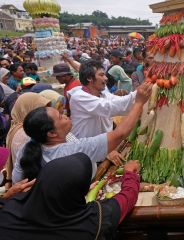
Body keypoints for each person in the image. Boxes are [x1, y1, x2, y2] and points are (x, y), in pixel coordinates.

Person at [12, 82, 152, 183]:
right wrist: (139, 103)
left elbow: (17, 182)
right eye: (61, 117)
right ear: (52, 133)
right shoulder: (73, 150)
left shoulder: (28, 147)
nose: (66, 114)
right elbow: (119, 134)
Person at [0, 153, 141, 239]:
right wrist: (129, 172)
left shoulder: (9, 209)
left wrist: (8, 196)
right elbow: (128, 196)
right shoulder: (92, 221)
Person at [69, 59, 137, 139]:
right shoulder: (79, 97)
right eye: (101, 75)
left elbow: (118, 101)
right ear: (89, 78)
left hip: (103, 145)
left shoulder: (103, 93)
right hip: (85, 148)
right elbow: (109, 107)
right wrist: (138, 93)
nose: (106, 78)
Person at [5, 93, 51, 187]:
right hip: (29, 186)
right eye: (41, 110)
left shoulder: (17, 126)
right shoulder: (26, 133)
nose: (45, 115)